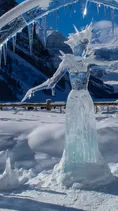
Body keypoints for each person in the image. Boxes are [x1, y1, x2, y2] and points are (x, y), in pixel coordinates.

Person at [21, 23, 111, 185]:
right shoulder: (67, 61)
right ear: (75, 44)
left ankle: (88, 161)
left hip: (85, 98)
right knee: (75, 130)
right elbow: (52, 82)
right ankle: (75, 162)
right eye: (82, 44)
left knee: (86, 129)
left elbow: (107, 64)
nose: (84, 47)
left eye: (86, 44)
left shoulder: (87, 61)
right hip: (75, 98)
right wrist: (34, 89)